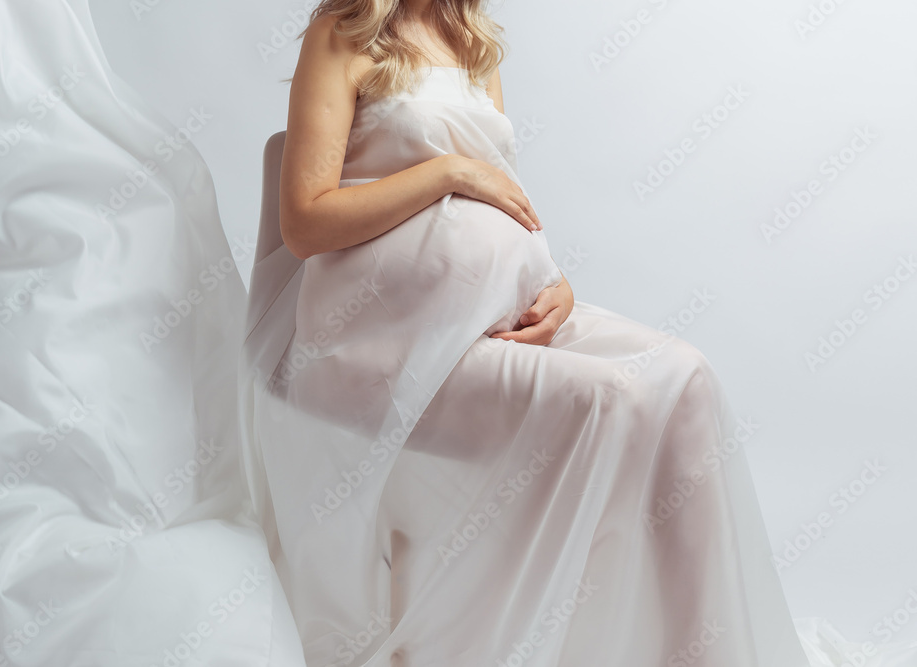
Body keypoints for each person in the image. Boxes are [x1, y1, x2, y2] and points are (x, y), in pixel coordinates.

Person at [240, 1, 814, 665]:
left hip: (494, 316)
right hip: (380, 343)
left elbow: (506, 198)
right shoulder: (344, 32)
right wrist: (449, 171)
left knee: (688, 375)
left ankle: (702, 654)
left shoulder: (471, 42)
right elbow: (305, 221)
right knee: (613, 400)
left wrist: (553, 282)